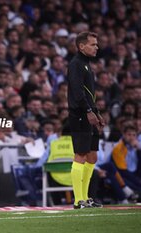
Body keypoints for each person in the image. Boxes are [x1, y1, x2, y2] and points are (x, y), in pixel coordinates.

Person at [67, 31, 105, 209]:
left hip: (89, 114)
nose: (96, 47)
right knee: (81, 154)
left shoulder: (86, 65)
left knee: (92, 156)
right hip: (80, 115)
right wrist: (89, 111)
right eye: (93, 44)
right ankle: (77, 200)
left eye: (96, 44)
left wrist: (96, 113)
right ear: (81, 46)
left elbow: (89, 94)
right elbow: (77, 91)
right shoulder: (76, 64)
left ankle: (86, 197)